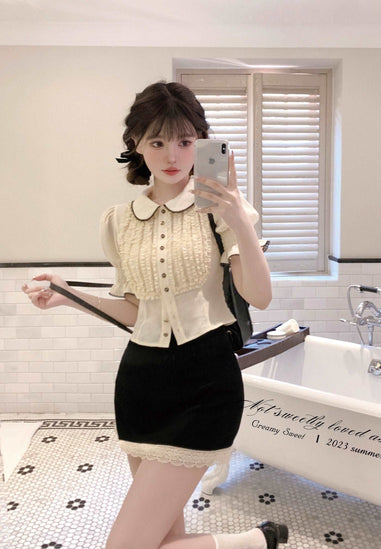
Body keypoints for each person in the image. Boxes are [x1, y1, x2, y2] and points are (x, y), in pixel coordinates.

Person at [22, 81, 288, 549]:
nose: (172, 155)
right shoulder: (119, 220)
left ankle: (253, 542)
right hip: (140, 384)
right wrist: (68, 296)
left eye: (185, 141)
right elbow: (134, 311)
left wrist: (239, 221)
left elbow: (260, 297)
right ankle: (256, 542)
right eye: (158, 141)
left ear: (201, 142)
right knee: (163, 537)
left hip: (205, 383)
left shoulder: (222, 210)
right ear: (136, 144)